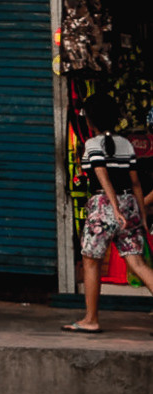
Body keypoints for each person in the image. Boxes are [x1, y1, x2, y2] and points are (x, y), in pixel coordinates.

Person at [68, 92, 153, 333]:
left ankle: (91, 319)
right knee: (137, 262)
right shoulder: (126, 144)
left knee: (91, 261)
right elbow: (136, 183)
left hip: (103, 207)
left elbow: (102, 175)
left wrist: (114, 208)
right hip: (129, 204)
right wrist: (141, 215)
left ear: (90, 120)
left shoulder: (92, 144)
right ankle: (90, 319)